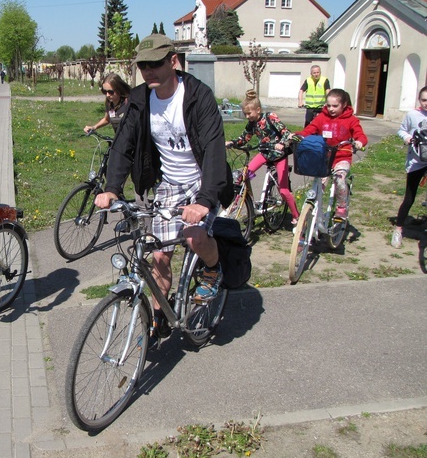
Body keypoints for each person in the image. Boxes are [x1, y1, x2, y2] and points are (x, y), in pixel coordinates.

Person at [94, 33, 230, 338]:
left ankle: (212, 268)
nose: (148, 71)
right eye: (143, 65)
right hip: (170, 182)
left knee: (195, 237)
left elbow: (213, 149)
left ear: (173, 61)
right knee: (158, 256)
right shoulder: (140, 99)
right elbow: (123, 144)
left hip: (201, 180)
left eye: (155, 64)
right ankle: (159, 318)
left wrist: (205, 199)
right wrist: (111, 187)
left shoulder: (198, 96)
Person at [226, 90, 300, 225]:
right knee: (244, 175)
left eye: (249, 113)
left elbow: (286, 132)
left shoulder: (270, 117)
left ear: (258, 109)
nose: (247, 116)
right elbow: (244, 138)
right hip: (265, 153)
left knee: (283, 190)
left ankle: (296, 216)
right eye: (245, 114)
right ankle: (247, 206)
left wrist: (282, 143)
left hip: (279, 156)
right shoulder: (252, 123)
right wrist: (232, 143)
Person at [297, 89, 368, 219]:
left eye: (335, 106)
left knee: (339, 180)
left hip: (342, 157)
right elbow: (309, 130)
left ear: (344, 104)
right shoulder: (322, 117)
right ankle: (311, 215)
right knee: (318, 186)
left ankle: (341, 207)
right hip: (324, 158)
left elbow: (360, 135)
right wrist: (298, 136)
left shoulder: (351, 120)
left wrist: (359, 142)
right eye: (328, 105)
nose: (331, 109)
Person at [391, 86, 427, 248]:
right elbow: (402, 130)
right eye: (424, 100)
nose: (426, 103)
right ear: (419, 100)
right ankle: (399, 229)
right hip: (416, 161)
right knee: (409, 197)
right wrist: (407, 138)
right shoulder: (412, 114)